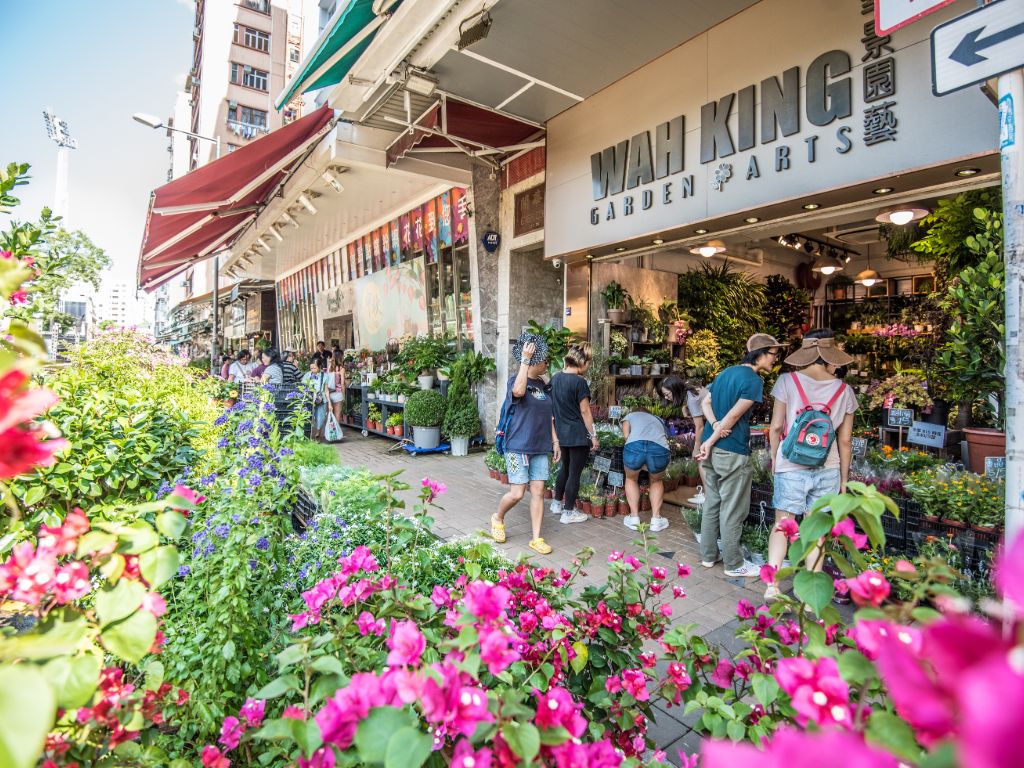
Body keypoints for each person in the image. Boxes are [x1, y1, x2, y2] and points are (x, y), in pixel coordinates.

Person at [764, 330, 858, 602]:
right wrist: (844, 478)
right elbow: (846, 439)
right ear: (830, 356)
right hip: (828, 467)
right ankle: (809, 593)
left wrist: (774, 456)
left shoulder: (786, 381)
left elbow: (777, 426)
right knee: (817, 530)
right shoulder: (845, 390)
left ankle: (772, 586)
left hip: (790, 465)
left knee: (783, 524)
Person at [695, 333, 783, 578]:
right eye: (774, 354)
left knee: (713, 502)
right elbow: (733, 416)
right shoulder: (753, 380)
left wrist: (712, 430)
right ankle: (734, 563)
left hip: (711, 450)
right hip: (731, 449)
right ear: (762, 353)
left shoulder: (724, 374)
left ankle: (708, 556)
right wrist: (715, 436)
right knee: (733, 508)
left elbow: (705, 404)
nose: (776, 360)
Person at [491, 333, 557, 556]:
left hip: (541, 446)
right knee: (518, 493)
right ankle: (498, 517)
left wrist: (555, 441)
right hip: (518, 444)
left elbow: (549, 416)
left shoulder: (543, 384)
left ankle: (537, 538)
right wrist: (524, 362)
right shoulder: (516, 380)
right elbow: (518, 392)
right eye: (544, 359)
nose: (547, 363)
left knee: (538, 491)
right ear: (534, 360)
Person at [621, 374, 689, 532]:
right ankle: (656, 520)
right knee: (656, 481)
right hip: (659, 448)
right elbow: (663, 437)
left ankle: (634, 518)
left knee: (631, 479)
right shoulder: (657, 418)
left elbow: (626, 436)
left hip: (635, 446)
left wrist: (638, 458)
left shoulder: (629, 415)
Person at [549, 343, 598, 526]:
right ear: (582, 361)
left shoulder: (555, 379)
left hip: (561, 434)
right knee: (574, 473)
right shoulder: (580, 382)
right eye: (589, 362)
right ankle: (568, 512)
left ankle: (556, 504)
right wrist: (593, 435)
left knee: (565, 469)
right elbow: (585, 412)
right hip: (577, 435)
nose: (589, 366)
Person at [685, 375, 710, 504]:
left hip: (713, 424)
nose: (667, 398)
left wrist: (696, 447)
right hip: (715, 422)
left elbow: (699, 427)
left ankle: (707, 497)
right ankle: (707, 494)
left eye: (667, 394)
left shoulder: (691, 398)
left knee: (701, 459)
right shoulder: (692, 391)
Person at [301, 358, 331, 440]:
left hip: (321, 399)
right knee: (309, 416)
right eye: (311, 368)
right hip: (310, 398)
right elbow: (303, 386)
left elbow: (326, 390)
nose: (313, 370)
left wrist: (330, 404)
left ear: (320, 367)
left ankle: (318, 432)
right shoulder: (307, 375)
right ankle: (309, 432)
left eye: (315, 368)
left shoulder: (325, 376)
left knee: (320, 417)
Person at [326, 354, 346, 425]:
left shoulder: (329, 368)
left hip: (329, 392)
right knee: (337, 413)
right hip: (338, 393)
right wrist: (344, 395)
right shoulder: (341, 369)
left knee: (330, 413)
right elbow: (342, 383)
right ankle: (336, 432)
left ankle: (330, 431)